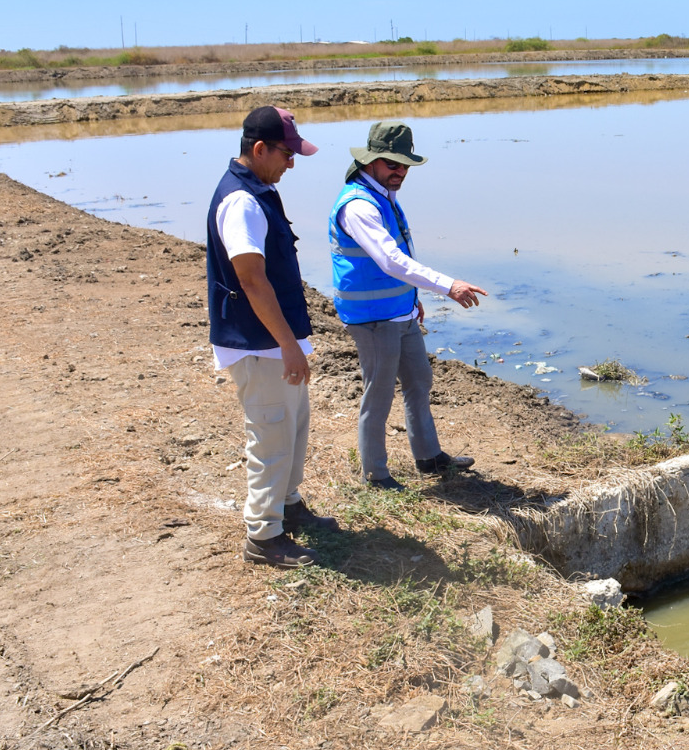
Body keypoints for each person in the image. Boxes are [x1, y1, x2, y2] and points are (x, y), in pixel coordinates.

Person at [207, 106, 339, 567]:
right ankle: (263, 536)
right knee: (270, 437)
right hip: (260, 343)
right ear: (260, 149)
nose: (292, 163)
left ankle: (287, 505)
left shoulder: (259, 190)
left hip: (273, 340)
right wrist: (287, 344)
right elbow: (251, 279)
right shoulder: (241, 201)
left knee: (292, 427)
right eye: (287, 153)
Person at [328, 121, 487, 489]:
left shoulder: (383, 195)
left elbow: (399, 260)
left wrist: (413, 300)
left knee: (419, 381)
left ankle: (429, 457)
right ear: (370, 161)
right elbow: (390, 260)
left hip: (399, 312)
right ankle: (375, 474)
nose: (399, 171)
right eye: (392, 164)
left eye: (404, 165)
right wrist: (447, 286)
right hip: (373, 318)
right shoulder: (358, 206)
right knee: (379, 394)